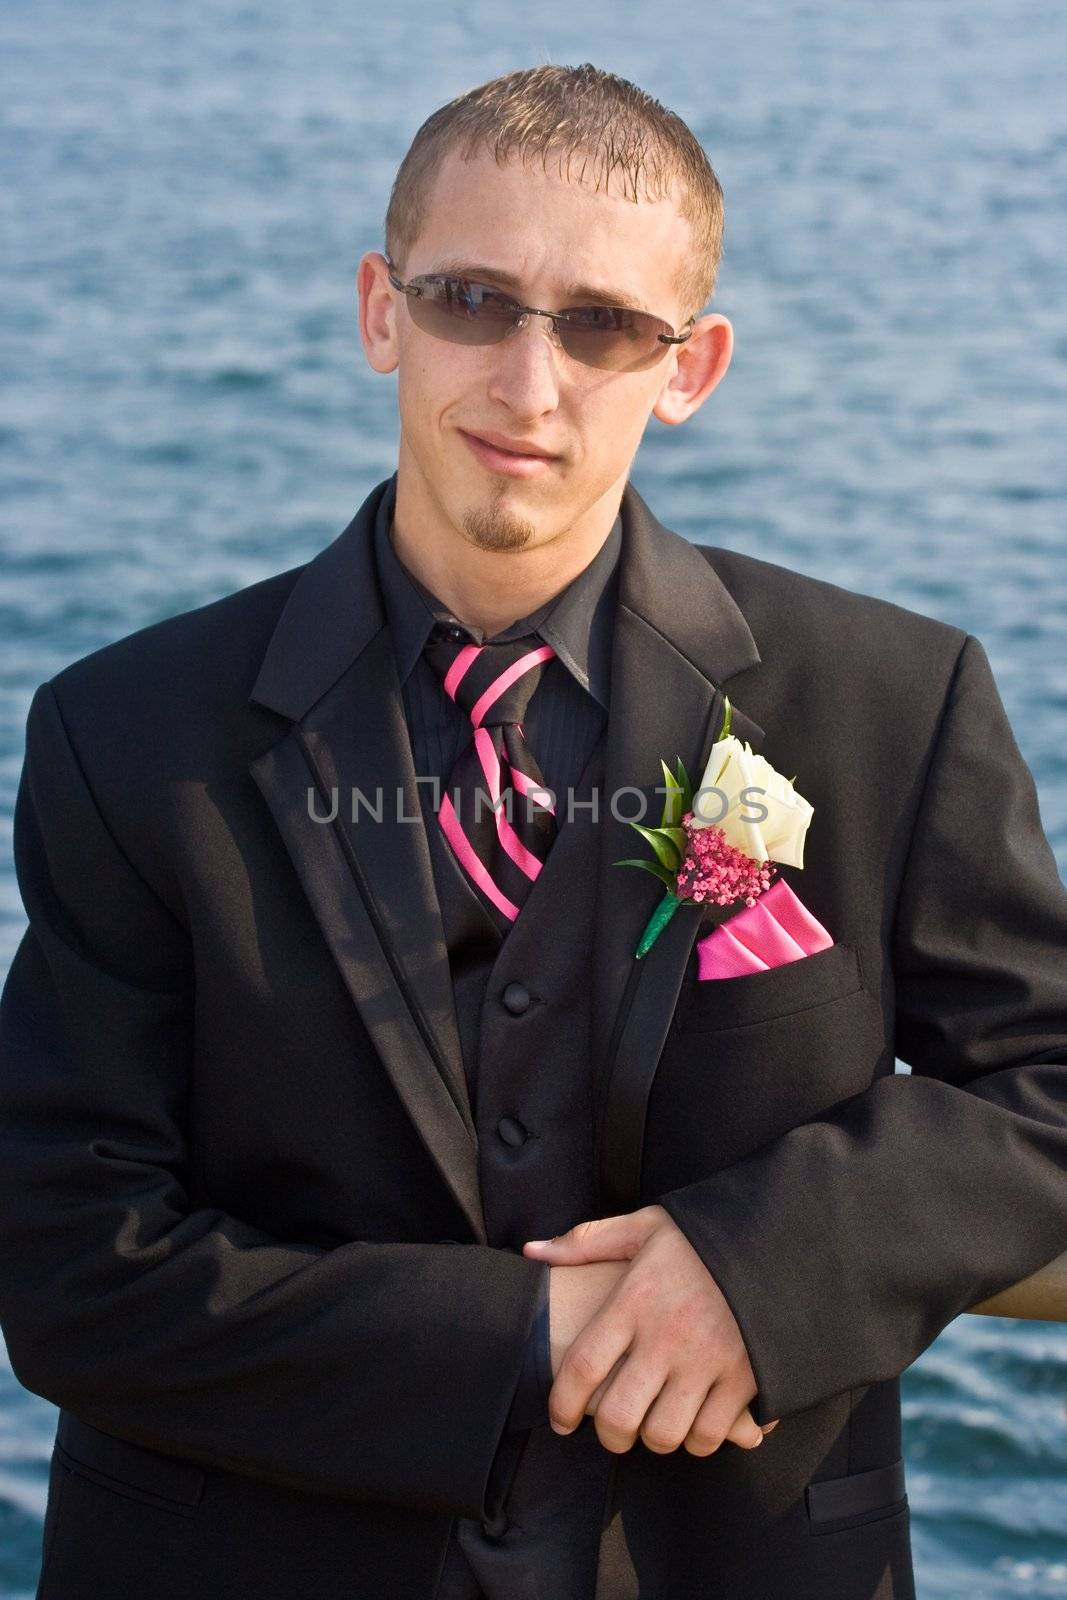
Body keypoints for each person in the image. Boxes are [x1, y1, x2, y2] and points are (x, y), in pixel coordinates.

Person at [0, 61, 1065, 1600]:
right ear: (381, 310)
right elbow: (62, 1256)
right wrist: (532, 1339)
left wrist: (758, 1275)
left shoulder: (892, 702)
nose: (529, 383)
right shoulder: (126, 737)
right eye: (472, 301)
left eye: (604, 326)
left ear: (689, 366)